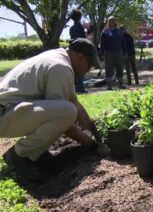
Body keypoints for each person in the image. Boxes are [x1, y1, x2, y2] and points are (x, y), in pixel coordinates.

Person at [0, 38, 101, 181]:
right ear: (80, 58)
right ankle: (19, 156)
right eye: (89, 65)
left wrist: (92, 127)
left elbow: (73, 101)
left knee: (68, 109)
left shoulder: (57, 57)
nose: (88, 70)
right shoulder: (61, 68)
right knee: (67, 112)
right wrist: (89, 143)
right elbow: (64, 117)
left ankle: (34, 152)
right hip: (4, 113)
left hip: (9, 111)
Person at [100, 16, 127, 90]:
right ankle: (109, 85)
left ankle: (120, 84)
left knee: (119, 68)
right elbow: (102, 44)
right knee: (108, 69)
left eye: (113, 21)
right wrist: (101, 53)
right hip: (108, 53)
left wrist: (125, 52)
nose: (111, 22)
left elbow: (123, 42)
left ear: (115, 22)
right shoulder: (105, 32)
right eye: (110, 21)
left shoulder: (118, 31)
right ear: (108, 22)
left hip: (118, 52)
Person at [69, 8, 88, 94]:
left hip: (73, 51)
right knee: (81, 70)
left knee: (75, 70)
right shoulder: (80, 27)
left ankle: (76, 88)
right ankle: (80, 89)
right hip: (81, 50)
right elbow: (84, 39)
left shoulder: (71, 28)